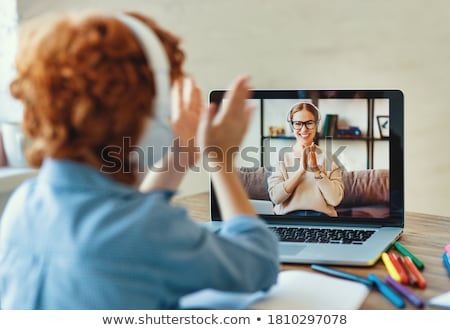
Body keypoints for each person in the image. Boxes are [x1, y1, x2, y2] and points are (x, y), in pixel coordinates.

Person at [0, 11, 279, 309]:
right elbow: (258, 262)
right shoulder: (145, 231)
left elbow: (122, 217)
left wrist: (183, 154)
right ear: (149, 116)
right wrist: (221, 159)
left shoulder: (22, 205)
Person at [267, 102, 344, 217]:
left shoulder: (329, 158)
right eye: (298, 123)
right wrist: (301, 171)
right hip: (288, 219)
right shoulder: (281, 157)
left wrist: (316, 170)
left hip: (322, 219)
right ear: (291, 126)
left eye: (309, 123)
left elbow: (335, 200)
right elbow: (276, 198)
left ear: (316, 125)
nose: (304, 129)